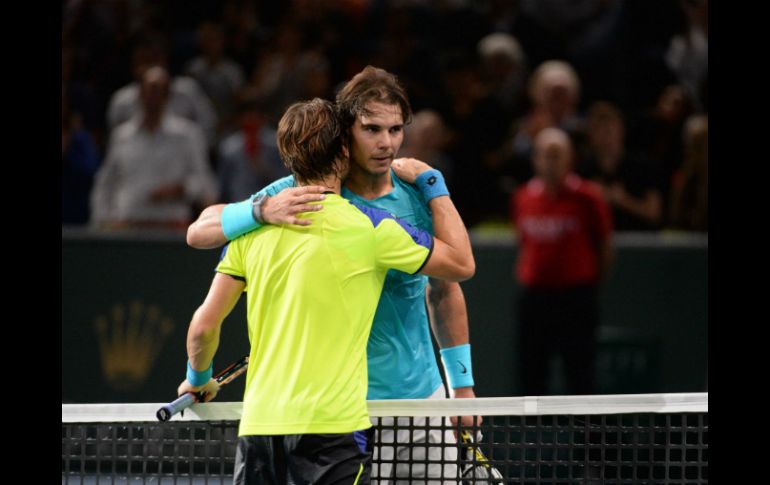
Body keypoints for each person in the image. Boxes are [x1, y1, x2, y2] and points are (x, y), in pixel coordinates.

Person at [186, 66, 480, 484]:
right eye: (372, 129)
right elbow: (198, 232)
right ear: (345, 137)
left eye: (396, 130)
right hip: (350, 412)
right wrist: (261, 210)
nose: (386, 143)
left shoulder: (418, 194)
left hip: (423, 397)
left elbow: (446, 288)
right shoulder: (293, 194)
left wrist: (461, 386)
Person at [510, 127, 613, 395]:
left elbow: (603, 245)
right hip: (534, 298)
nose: (550, 162)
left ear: (570, 159)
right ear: (535, 159)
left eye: (557, 155)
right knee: (530, 372)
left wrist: (591, 284)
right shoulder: (523, 197)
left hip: (576, 298)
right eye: (544, 155)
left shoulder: (588, 197)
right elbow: (522, 242)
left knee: (580, 372)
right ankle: (532, 436)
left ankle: (588, 437)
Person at [90, 66, 218, 230]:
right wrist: (102, 220)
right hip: (128, 224)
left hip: (171, 226)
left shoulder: (187, 135)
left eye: (159, 91)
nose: (153, 97)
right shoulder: (122, 136)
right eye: (149, 90)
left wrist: (182, 189)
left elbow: (206, 184)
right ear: (140, 94)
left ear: (167, 96)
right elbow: (105, 182)